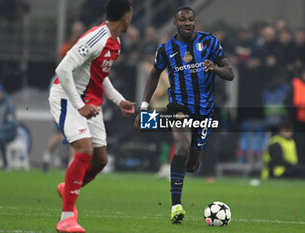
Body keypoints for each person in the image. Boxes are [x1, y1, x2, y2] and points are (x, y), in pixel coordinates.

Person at [134, 6, 234, 224]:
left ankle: (189, 164)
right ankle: (176, 206)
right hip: (179, 108)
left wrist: (215, 68)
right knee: (181, 145)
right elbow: (153, 75)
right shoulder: (166, 49)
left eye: (191, 19)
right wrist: (143, 108)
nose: (187, 23)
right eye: (183, 20)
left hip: (204, 112)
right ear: (175, 23)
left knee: (192, 164)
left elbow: (230, 73)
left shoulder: (209, 42)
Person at [49, 0, 135, 232]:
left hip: (90, 101)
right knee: (85, 151)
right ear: (127, 16)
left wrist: (119, 101)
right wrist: (79, 105)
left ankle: (66, 188)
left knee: (100, 160)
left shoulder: (115, 42)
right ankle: (67, 218)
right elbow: (63, 69)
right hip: (68, 97)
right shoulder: (95, 38)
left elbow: (100, 75)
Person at [0, 83, 17, 169]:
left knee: (0, 137)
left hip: (9, 132)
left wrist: (0, 128)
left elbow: (11, 122)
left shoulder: (8, 104)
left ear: (2, 93)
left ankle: (6, 163)